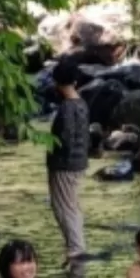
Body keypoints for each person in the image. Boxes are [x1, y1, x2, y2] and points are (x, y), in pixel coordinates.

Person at [47, 55, 92, 264]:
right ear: (75, 81)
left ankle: (75, 249)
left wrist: (51, 148)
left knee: (62, 206)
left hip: (64, 164)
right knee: (71, 205)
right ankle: (76, 245)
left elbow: (64, 137)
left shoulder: (66, 107)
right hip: (79, 162)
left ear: (57, 81)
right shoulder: (82, 104)